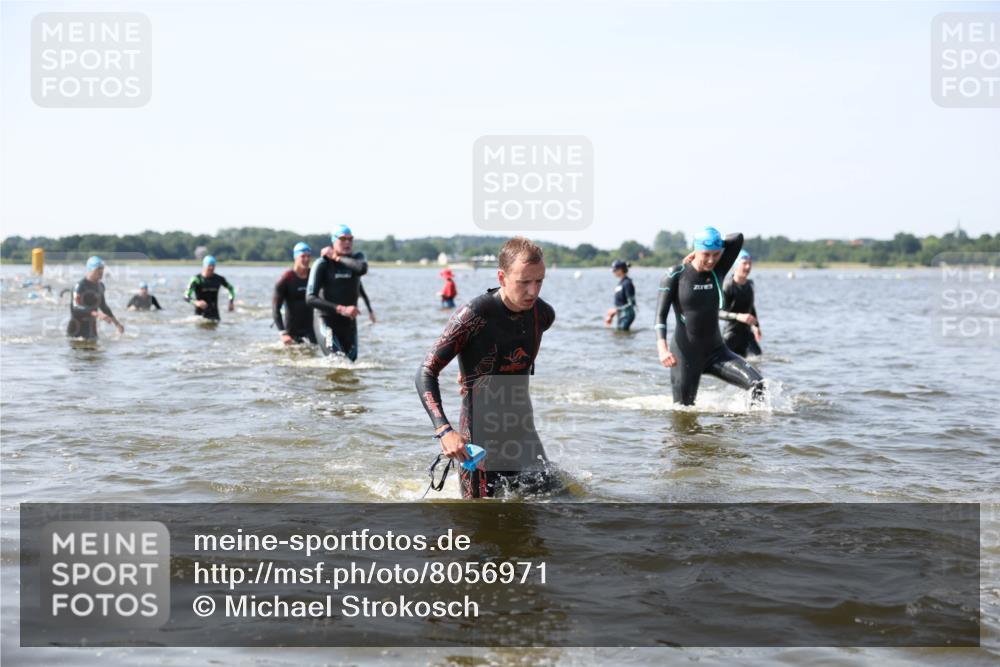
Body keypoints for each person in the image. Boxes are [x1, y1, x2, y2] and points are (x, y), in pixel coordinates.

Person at [416, 236, 557, 499]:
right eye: (524, 282)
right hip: (478, 439)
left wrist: (474, 365)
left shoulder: (543, 315)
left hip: (524, 433)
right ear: (502, 277)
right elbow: (426, 372)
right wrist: (444, 430)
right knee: (479, 522)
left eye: (539, 281)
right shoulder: (473, 316)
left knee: (560, 507)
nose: (533, 291)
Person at [654, 227, 765, 406]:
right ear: (696, 249)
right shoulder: (675, 275)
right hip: (685, 356)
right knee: (683, 412)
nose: (711, 260)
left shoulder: (719, 269)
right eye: (706, 254)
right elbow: (660, 316)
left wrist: (709, 248)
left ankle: (745, 431)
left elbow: (737, 238)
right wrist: (662, 349)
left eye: (716, 254)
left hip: (717, 352)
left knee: (758, 386)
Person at [306, 224, 368, 360]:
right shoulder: (323, 263)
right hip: (326, 320)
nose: (347, 242)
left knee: (350, 362)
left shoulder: (358, 258)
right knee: (337, 360)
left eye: (350, 239)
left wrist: (336, 257)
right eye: (343, 239)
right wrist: (341, 309)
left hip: (348, 323)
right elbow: (310, 298)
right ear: (333, 241)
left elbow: (362, 269)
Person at [66, 256, 124, 339]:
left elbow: (104, 307)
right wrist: (96, 313)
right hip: (76, 330)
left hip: (91, 330)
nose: (101, 271)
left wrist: (117, 324)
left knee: (98, 351)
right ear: (91, 269)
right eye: (98, 269)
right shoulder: (79, 286)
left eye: (102, 269)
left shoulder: (100, 286)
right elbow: (76, 308)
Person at [719, 250, 762, 358]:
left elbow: (751, 306)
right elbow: (717, 312)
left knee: (759, 360)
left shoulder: (750, 284)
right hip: (731, 334)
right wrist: (738, 316)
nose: (748, 267)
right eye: (744, 263)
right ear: (736, 265)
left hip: (747, 335)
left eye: (750, 263)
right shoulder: (727, 286)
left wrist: (756, 326)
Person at [273, 242, 317, 344]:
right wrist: (283, 333)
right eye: (303, 256)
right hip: (292, 332)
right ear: (295, 257)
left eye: (309, 256)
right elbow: (275, 309)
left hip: (311, 330)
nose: (306, 259)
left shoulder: (314, 276)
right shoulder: (286, 279)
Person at [184, 255, 235, 321]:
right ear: (204, 266)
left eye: (213, 266)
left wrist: (231, 302)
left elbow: (231, 288)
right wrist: (196, 302)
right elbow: (186, 296)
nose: (211, 268)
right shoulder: (196, 279)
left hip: (215, 316)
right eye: (209, 266)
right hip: (200, 317)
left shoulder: (219, 279)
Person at [604, 259, 637, 330]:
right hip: (621, 314)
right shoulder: (621, 283)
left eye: (614, 270)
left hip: (627, 315)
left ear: (620, 270)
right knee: (619, 336)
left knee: (622, 333)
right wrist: (612, 315)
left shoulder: (627, 283)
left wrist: (615, 310)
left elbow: (632, 304)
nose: (613, 272)